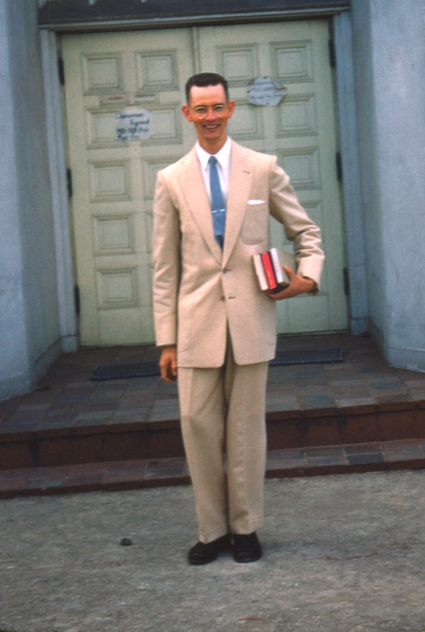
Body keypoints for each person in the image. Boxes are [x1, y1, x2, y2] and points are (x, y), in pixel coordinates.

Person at [152, 72, 324, 565]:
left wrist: (307, 278)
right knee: (196, 426)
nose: (209, 117)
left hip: (251, 320)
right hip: (195, 326)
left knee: (246, 429)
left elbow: (305, 231)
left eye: (217, 108)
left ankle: (245, 528)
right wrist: (167, 339)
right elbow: (165, 267)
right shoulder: (170, 179)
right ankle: (212, 531)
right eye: (200, 109)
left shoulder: (262, 168)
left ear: (231, 110)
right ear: (187, 114)